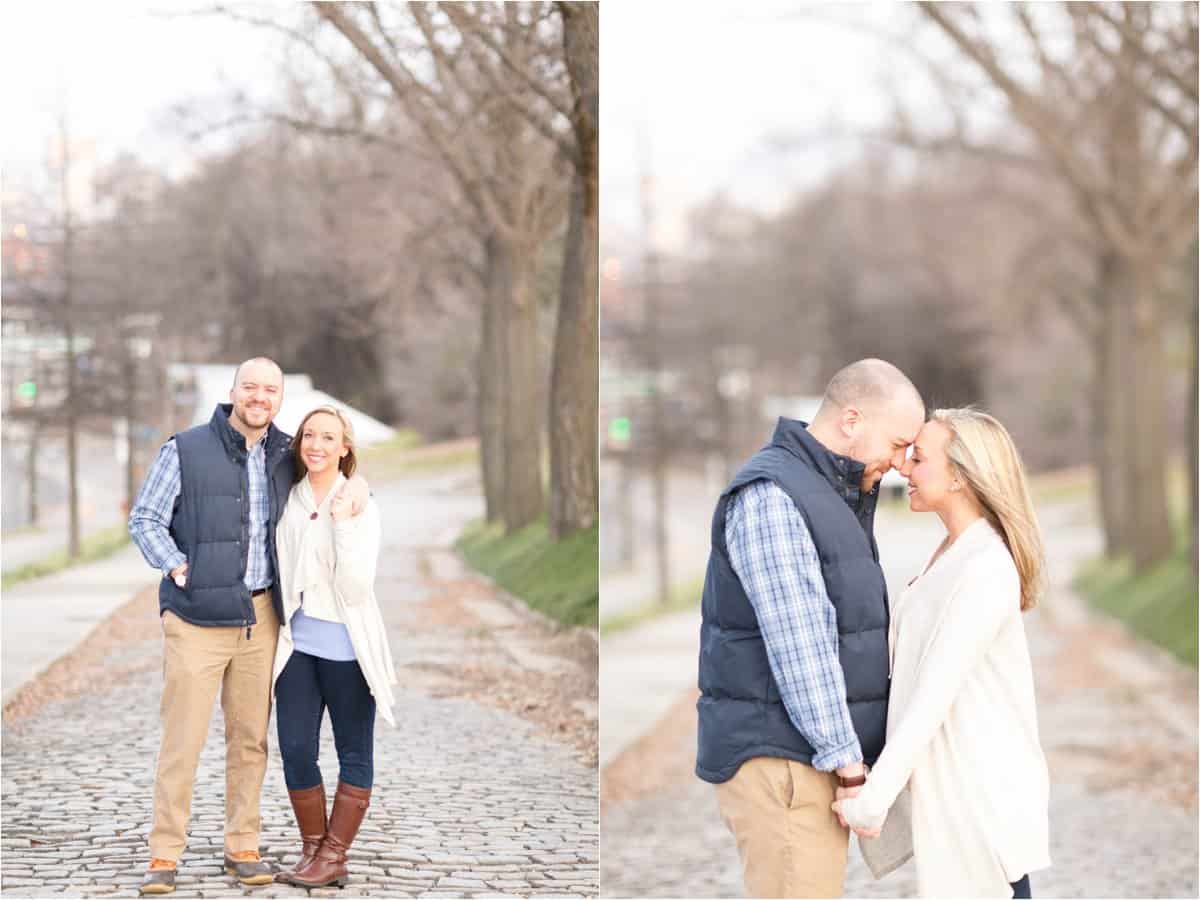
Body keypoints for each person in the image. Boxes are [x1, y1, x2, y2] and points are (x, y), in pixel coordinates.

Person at [129, 358, 368, 895]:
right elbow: (145, 517)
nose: (260, 396)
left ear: (280, 398)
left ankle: (243, 846)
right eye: (251, 387)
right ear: (233, 391)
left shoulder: (288, 453)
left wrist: (356, 491)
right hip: (194, 619)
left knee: (250, 741)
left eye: (271, 389)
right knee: (182, 742)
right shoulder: (184, 449)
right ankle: (164, 854)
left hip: (262, 618)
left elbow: (333, 469)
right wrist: (176, 565)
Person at [695, 358, 925, 899]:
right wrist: (848, 767)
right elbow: (802, 648)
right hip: (785, 761)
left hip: (803, 758)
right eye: (896, 443)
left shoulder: (826, 494)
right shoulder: (774, 495)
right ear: (851, 421)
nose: (899, 463)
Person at [832, 408, 1051, 898]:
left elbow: (934, 694)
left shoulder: (986, 566)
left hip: (982, 801)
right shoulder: (953, 553)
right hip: (956, 797)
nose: (904, 469)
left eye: (920, 458)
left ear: (959, 474)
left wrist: (873, 799)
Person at [271, 405, 396, 889]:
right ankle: (313, 851)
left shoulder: (362, 505)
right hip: (297, 647)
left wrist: (343, 521)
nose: (316, 445)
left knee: (354, 752)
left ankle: (336, 854)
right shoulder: (290, 497)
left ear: (345, 447)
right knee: (297, 750)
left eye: (328, 437)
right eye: (309, 436)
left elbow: (357, 588)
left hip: (348, 648)